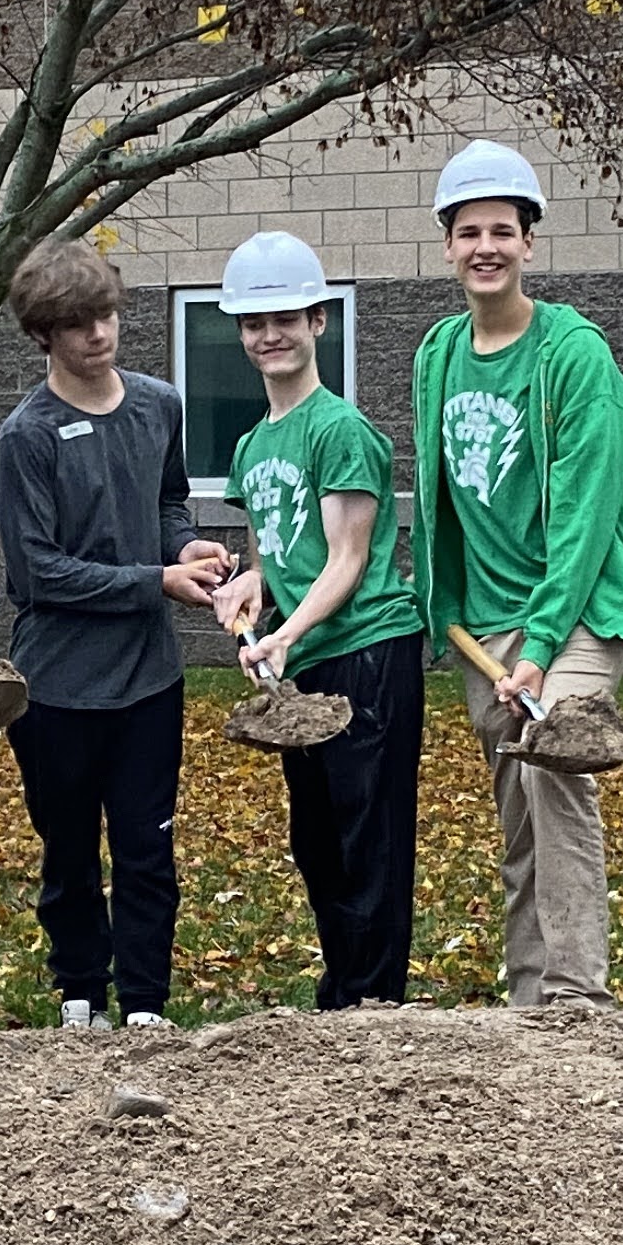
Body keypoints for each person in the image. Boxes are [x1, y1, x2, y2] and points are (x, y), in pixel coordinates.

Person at [411, 140, 623, 1008]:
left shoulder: (575, 355)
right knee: (517, 812)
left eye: (503, 231)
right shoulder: (437, 352)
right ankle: (528, 1001)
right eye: (469, 231)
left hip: (578, 611)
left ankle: (576, 995)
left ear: (530, 243)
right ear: (446, 245)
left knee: (556, 771)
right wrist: (439, 609)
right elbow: (439, 499)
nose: (486, 247)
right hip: (485, 624)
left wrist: (542, 647)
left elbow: (586, 519)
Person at [0, 237, 222, 1029]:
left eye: (108, 315)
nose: (100, 334)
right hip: (54, 687)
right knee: (68, 855)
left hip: (150, 680)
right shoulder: (26, 436)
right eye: (78, 323)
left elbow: (167, 504)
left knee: (146, 849)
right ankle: (81, 992)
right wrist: (154, 581)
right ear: (43, 336)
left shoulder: (159, 404)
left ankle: (147, 1003)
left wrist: (185, 546)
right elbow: (38, 576)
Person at [206, 229, 427, 1009]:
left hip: (366, 650)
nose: (270, 336)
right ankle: (344, 994)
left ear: (319, 323)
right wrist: (250, 591)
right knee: (318, 840)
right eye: (254, 323)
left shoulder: (342, 431)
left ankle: (372, 1004)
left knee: (370, 839)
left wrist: (286, 634)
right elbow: (282, 554)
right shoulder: (252, 444)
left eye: (286, 320)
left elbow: (347, 560)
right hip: (301, 659)